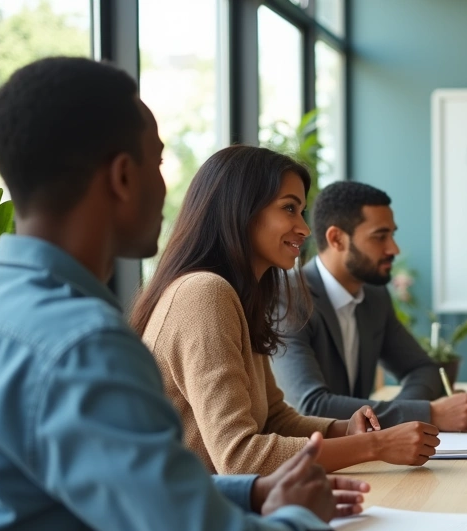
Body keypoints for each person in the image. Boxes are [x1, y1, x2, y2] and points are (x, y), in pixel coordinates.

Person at [0, 57, 368, 531]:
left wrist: (253, 492)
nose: (168, 185)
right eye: (158, 161)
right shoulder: (86, 347)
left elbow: (108, 486)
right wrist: (303, 520)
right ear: (122, 176)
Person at [132, 146, 439, 475]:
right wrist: (375, 446)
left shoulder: (240, 297)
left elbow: (275, 418)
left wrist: (345, 429)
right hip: (182, 506)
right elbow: (240, 459)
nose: (305, 229)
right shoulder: (203, 294)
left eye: (301, 211)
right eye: (289, 208)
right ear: (242, 210)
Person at [271, 181, 467, 431]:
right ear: (337, 239)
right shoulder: (289, 297)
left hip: (365, 450)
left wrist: (400, 418)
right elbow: (310, 407)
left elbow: (423, 369)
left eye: (392, 235)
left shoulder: (374, 296)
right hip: (308, 452)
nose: (393, 248)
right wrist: (428, 414)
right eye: (380, 236)